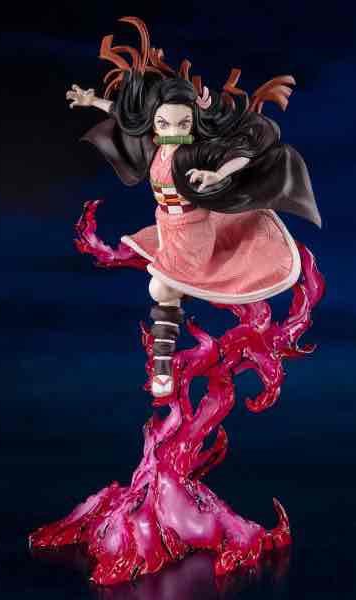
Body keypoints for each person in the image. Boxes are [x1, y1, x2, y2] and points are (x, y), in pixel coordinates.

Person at [66, 17, 321, 397]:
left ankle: (163, 368)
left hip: (192, 232)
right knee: (163, 288)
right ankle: (164, 364)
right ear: (155, 121)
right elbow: (127, 119)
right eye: (164, 122)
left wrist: (218, 174)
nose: (172, 129)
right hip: (166, 226)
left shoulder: (196, 152)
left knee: (162, 287)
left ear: (192, 122)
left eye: (182, 122)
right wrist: (94, 102)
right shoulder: (153, 144)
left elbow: (244, 152)